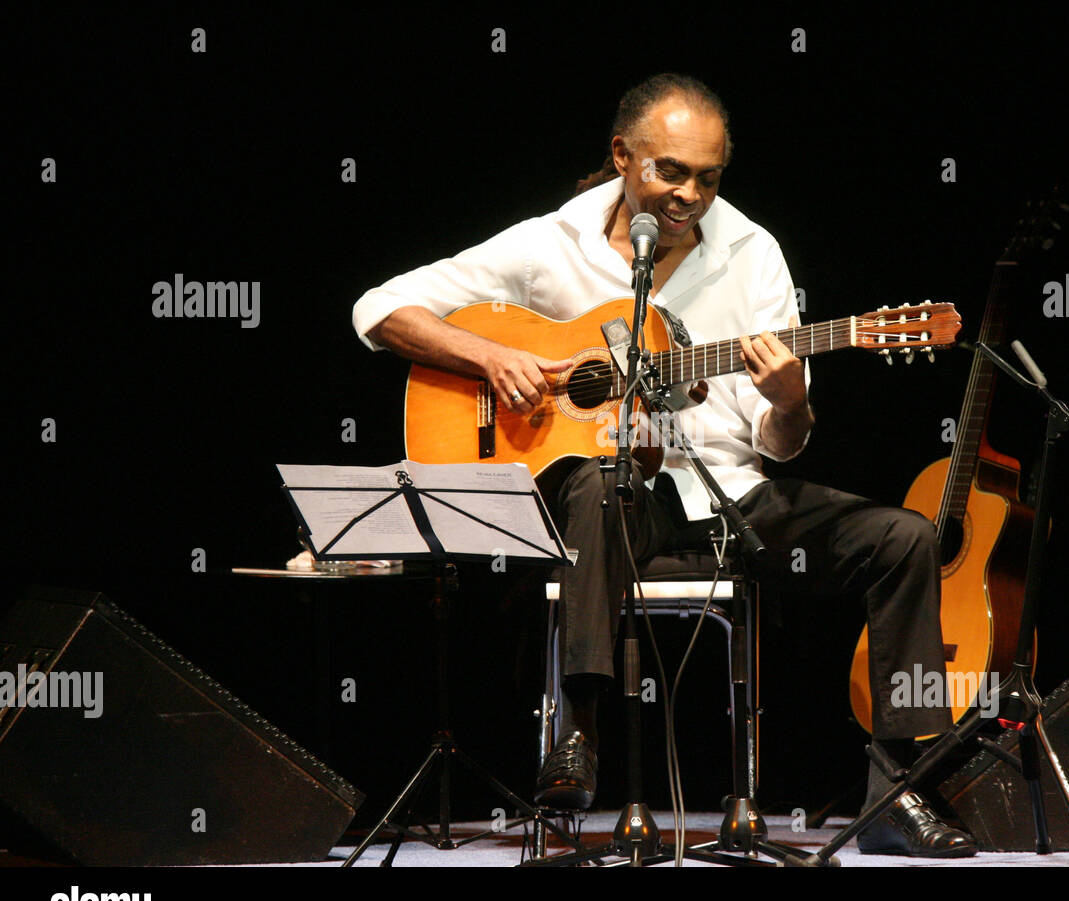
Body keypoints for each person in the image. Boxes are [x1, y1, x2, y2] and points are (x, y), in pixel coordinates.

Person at [352, 73, 975, 856]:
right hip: (613, 510)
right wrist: (490, 355)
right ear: (623, 155)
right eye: (670, 171)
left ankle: (897, 788)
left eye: (707, 178)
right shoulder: (551, 245)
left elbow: (777, 443)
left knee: (906, 538)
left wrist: (789, 402)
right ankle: (576, 738)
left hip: (730, 496)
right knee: (598, 479)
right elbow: (377, 309)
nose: (688, 194)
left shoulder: (753, 254)